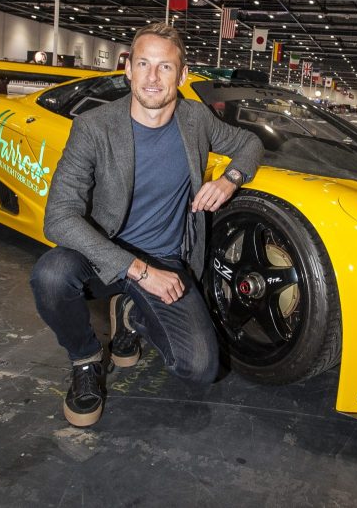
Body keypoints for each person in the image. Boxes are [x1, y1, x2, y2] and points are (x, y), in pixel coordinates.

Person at [29, 23, 263, 427]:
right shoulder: (94, 127)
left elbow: (250, 143)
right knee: (51, 275)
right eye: (143, 64)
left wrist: (230, 180)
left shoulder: (195, 119)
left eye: (165, 67)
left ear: (183, 75)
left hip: (167, 258)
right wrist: (138, 271)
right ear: (128, 70)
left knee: (200, 368)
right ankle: (85, 361)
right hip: (104, 254)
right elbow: (59, 217)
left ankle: (133, 316)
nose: (153, 78)